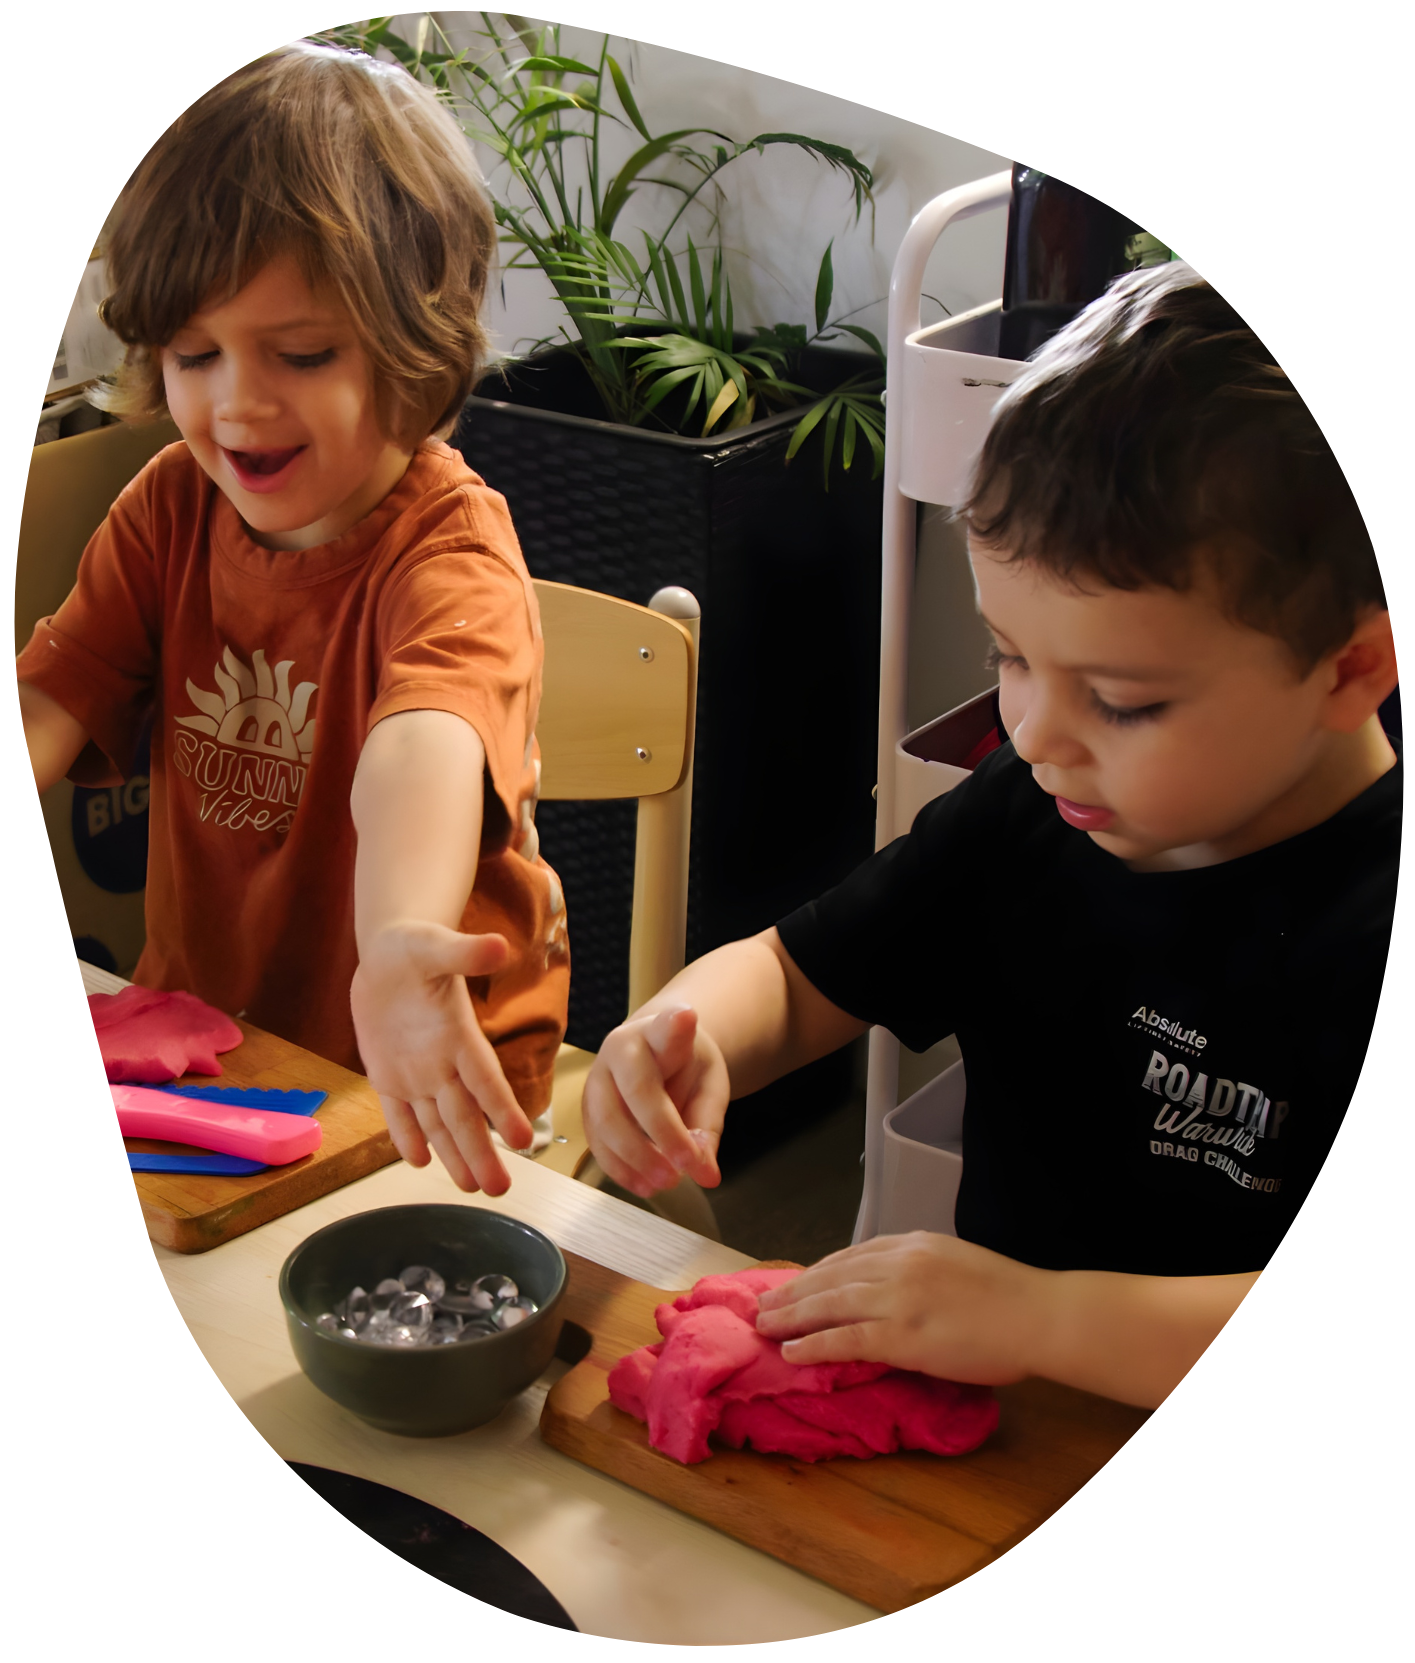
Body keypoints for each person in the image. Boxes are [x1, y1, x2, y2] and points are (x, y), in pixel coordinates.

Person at [580, 262, 1401, 1410]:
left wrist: (1037, 1316)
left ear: (1351, 667)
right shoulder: (1030, 811)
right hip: (996, 1432)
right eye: (1008, 657)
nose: (1036, 731)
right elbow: (794, 973)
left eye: (1122, 700)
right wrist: (690, 1031)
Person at [18, 43, 569, 1196]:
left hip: (418, 1078)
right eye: (193, 354)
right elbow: (47, 702)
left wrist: (398, 944)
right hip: (211, 1051)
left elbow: (416, 751)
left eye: (301, 352)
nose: (236, 403)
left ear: (418, 344)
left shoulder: (453, 555)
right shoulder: (168, 509)